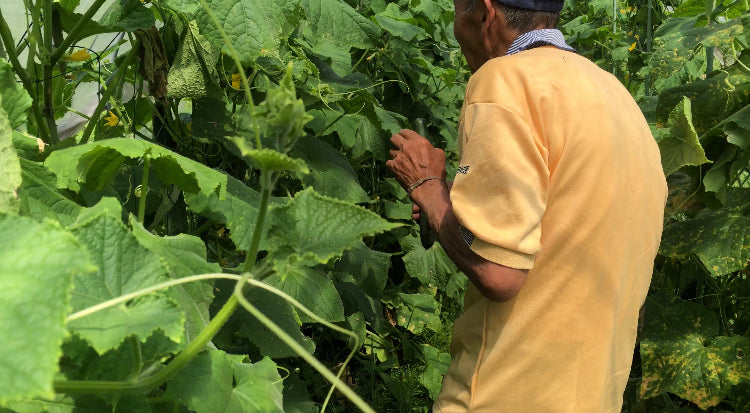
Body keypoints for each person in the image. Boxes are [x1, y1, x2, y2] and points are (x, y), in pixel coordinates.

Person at [385, 0, 668, 411]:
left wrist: (428, 188)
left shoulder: (505, 81)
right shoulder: (616, 97)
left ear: (485, 16)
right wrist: (450, 202)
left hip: (504, 395)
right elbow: (561, 227)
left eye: (456, 10)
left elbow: (498, 273)